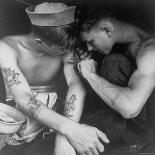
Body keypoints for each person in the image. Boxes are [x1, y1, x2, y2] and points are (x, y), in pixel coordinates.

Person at [0, 2, 110, 155]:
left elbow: (75, 84)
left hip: (55, 116)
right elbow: (23, 97)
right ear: (40, 42)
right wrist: (71, 130)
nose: (68, 52)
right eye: (61, 50)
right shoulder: (7, 47)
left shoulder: (65, 45)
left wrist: (63, 137)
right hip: (16, 116)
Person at [77, 4, 155, 153]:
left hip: (145, 123)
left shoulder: (150, 51)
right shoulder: (126, 43)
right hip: (137, 121)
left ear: (107, 30)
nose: (89, 48)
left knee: (112, 63)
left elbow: (130, 108)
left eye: (91, 41)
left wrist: (90, 75)